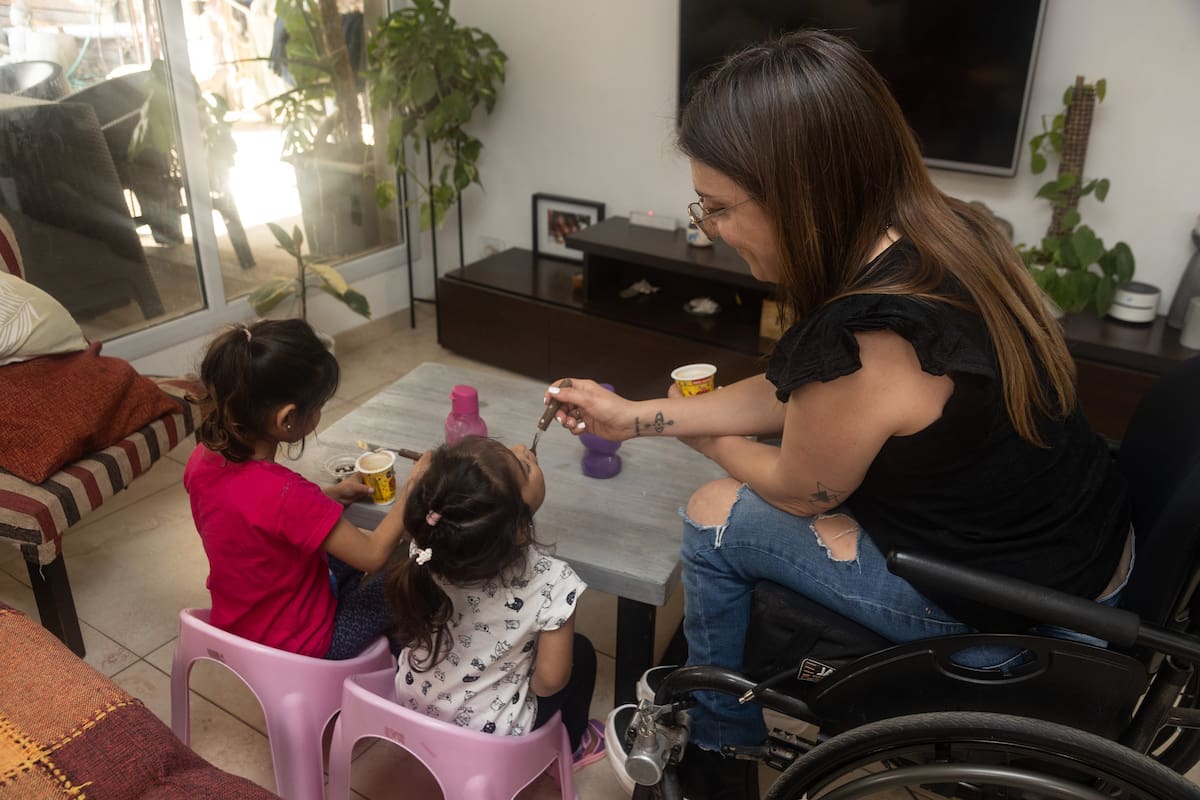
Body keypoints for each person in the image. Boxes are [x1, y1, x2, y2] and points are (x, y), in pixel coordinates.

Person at [544, 30, 1132, 799]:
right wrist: (636, 416)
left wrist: (711, 441)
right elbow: (799, 390)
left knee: (714, 512)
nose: (711, 228)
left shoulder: (873, 329)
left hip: (1016, 625)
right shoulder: (941, 234)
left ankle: (714, 746)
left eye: (720, 207)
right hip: (1082, 557)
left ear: (802, 194)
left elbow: (799, 489)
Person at [185, 319, 414, 659]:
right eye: (318, 405)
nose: (319, 412)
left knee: (345, 552)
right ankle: (398, 672)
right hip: (310, 645)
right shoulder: (288, 494)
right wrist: (413, 492)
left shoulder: (201, 460)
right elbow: (372, 554)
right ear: (287, 418)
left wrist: (331, 499)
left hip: (242, 628)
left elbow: (257, 521)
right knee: (408, 570)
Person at [386, 436, 605, 766]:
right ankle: (573, 746)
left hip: (413, 703)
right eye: (523, 467)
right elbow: (550, 682)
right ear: (520, 530)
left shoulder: (428, 543)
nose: (522, 451)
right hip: (493, 734)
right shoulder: (552, 580)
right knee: (584, 653)